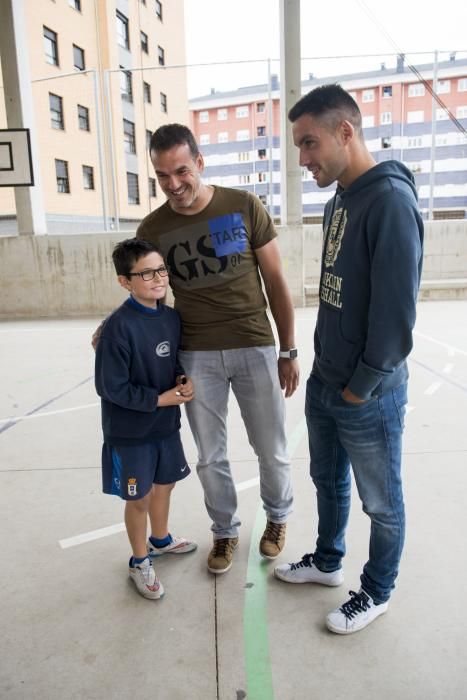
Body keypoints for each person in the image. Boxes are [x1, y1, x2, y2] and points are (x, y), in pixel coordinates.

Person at [274, 84, 424, 634]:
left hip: (368, 392)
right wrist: (322, 374)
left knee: (381, 503)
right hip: (326, 380)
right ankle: (329, 561)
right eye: (297, 147)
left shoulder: (389, 201)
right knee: (328, 481)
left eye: (310, 143)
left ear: (346, 132)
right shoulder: (340, 197)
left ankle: (377, 591)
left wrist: (361, 386)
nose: (303, 159)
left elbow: (395, 318)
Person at [136, 123, 299, 575]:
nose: (173, 184)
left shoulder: (243, 206)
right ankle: (224, 529)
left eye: (181, 171)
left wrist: (288, 350)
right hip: (197, 355)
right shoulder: (153, 227)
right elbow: (149, 294)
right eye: (162, 175)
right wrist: (117, 328)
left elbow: (276, 282)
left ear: (200, 163)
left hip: (254, 345)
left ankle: (278, 519)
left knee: (271, 447)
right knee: (210, 454)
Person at [95, 238, 197, 600]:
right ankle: (139, 561)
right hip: (131, 432)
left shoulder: (170, 317)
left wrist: (182, 380)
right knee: (138, 498)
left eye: (161, 270)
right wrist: (161, 399)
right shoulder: (117, 329)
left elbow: (173, 363)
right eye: (146, 273)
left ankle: (161, 538)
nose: (158, 278)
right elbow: (111, 388)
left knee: (165, 484)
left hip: (165, 426)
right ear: (125, 281)